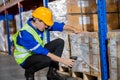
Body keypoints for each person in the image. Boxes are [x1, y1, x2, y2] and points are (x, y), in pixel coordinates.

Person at [12, 7, 80, 80]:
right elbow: (43, 52)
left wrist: (74, 29)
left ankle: (52, 74)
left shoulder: (42, 25)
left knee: (59, 42)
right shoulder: (25, 34)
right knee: (47, 60)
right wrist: (64, 61)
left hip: (36, 53)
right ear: (37, 20)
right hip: (25, 59)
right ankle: (29, 72)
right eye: (45, 24)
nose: (47, 27)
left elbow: (58, 26)